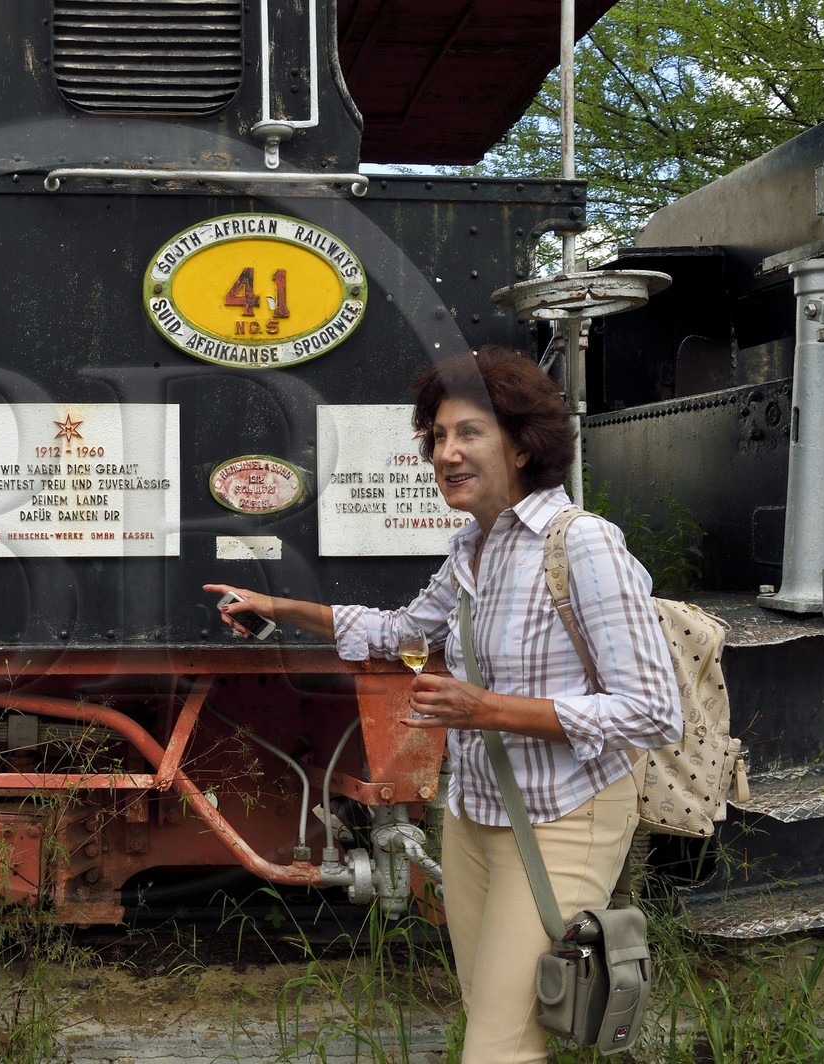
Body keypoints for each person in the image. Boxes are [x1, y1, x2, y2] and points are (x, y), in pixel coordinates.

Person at [206, 345, 680, 1062]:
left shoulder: (583, 545)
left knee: (499, 1046)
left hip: (562, 816)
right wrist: (276, 605)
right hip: (475, 817)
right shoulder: (474, 548)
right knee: (494, 1017)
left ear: (523, 447)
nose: (445, 454)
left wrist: (486, 710)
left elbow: (650, 711)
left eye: (468, 434)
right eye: (436, 438)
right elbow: (398, 633)